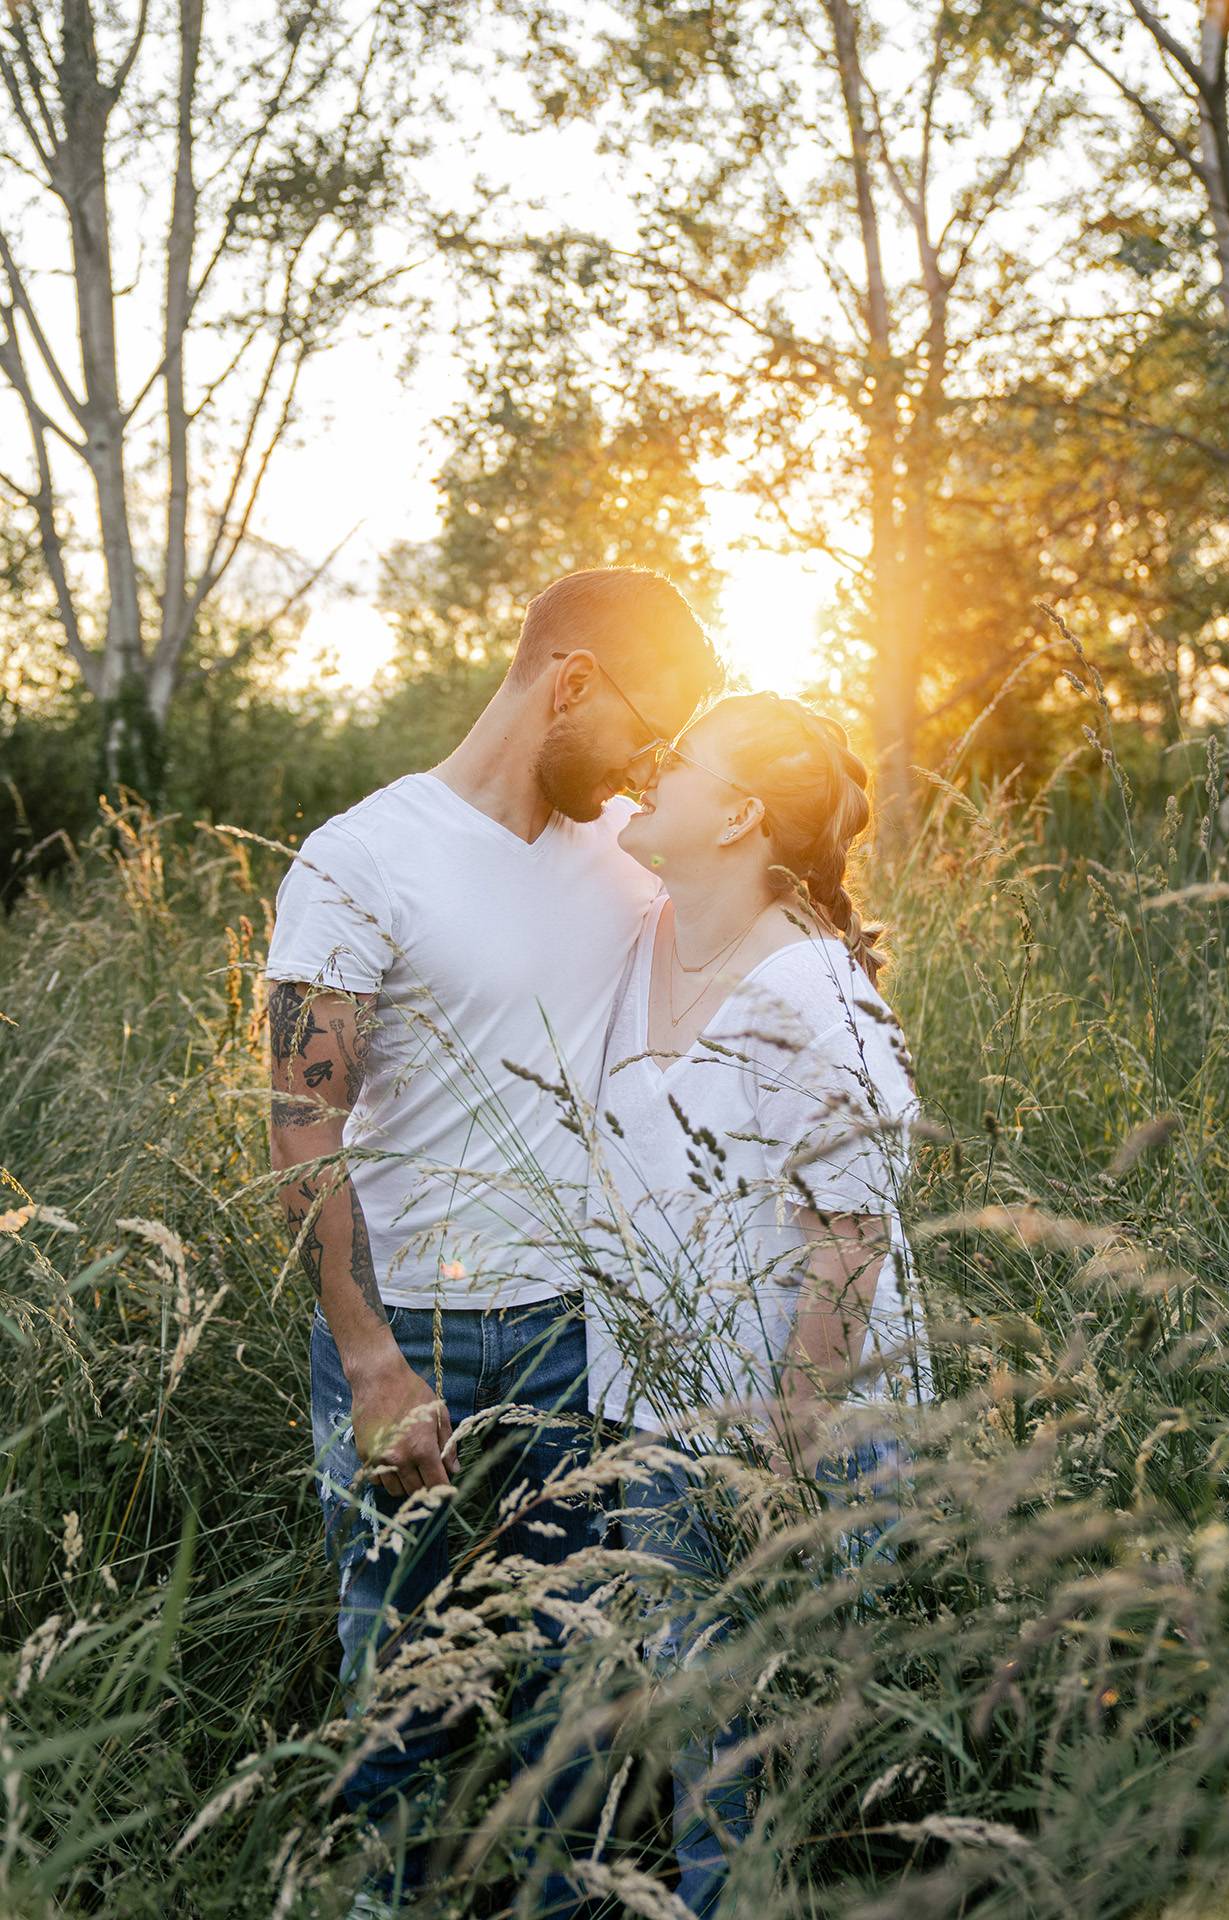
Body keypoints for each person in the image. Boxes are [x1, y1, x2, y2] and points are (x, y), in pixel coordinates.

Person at [263, 567, 720, 1916]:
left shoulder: (635, 848)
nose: (648, 763)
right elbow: (302, 1126)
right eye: (644, 727)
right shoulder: (361, 861)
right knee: (407, 1696)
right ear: (569, 682)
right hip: (424, 1342)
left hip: (589, 1340)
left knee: (572, 1711)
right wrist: (368, 1362)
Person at [583, 690, 931, 1919]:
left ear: (736, 813)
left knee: (797, 1761)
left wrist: (793, 1438)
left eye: (676, 762)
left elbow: (854, 1226)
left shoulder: (808, 989)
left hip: (797, 1431)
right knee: (700, 1737)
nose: (645, 771)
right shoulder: (646, 942)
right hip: (665, 1421)